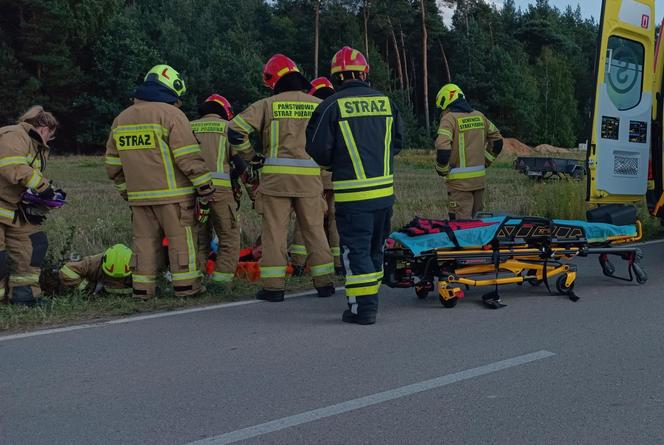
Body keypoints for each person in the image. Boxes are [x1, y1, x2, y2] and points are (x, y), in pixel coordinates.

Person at [306, 46, 404, 325]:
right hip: (385, 195)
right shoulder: (387, 102)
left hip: (353, 196)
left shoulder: (331, 106)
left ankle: (364, 309)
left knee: (356, 251)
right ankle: (369, 299)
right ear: (365, 73)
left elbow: (317, 149)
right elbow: (397, 143)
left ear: (336, 77)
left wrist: (337, 162)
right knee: (375, 249)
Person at [229, 54, 335, 302]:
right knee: (315, 231)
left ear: (275, 80)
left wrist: (251, 156)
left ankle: (274, 288)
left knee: (274, 232)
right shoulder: (317, 104)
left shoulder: (267, 104)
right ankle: (325, 283)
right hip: (310, 180)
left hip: (276, 182)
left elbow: (234, 130)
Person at [105, 64, 214, 299]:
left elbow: (113, 166)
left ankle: (143, 289)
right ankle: (187, 288)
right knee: (181, 241)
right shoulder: (171, 115)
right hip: (174, 197)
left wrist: (128, 192)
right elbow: (188, 157)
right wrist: (205, 186)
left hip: (139, 199)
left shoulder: (121, 119)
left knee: (144, 244)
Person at [0, 105, 61, 306]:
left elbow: (25, 177)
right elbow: (13, 167)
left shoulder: (34, 144)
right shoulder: (14, 135)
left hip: (12, 206)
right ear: (44, 128)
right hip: (4, 204)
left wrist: (42, 198)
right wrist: (43, 187)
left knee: (33, 244)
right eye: (50, 136)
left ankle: (24, 297)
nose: (49, 141)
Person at [191, 94, 252, 286]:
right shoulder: (228, 128)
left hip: (193, 194)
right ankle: (221, 283)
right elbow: (242, 167)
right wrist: (254, 194)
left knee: (198, 240)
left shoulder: (187, 127)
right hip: (221, 193)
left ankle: (196, 279)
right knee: (229, 237)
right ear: (226, 112)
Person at [289, 77, 342, 275]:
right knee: (336, 218)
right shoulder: (335, 108)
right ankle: (338, 263)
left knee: (307, 219)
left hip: (313, 173)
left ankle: (299, 263)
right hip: (335, 173)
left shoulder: (310, 108)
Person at [434, 83, 503, 220]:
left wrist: (441, 169)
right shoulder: (480, 116)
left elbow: (442, 148)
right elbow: (498, 141)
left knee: (461, 229)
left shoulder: (449, 118)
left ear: (445, 101)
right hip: (479, 182)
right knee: (478, 227)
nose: (442, 111)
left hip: (458, 186)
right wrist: (486, 161)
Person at [59, 244, 133, 295]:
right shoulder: (93, 263)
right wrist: (87, 288)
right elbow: (67, 270)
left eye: (120, 278)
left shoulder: (140, 267)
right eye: (111, 277)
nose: (115, 282)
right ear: (103, 261)